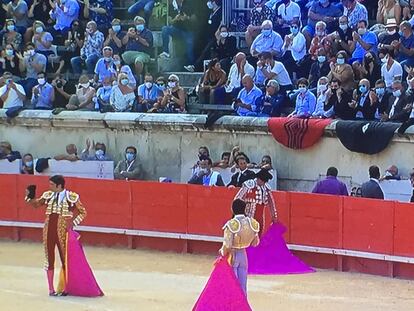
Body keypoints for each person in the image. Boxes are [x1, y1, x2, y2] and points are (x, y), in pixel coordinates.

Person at [24, 175, 103, 297]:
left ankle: (66, 288)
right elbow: (36, 204)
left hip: (63, 231)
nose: (49, 186)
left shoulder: (71, 197)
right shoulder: (48, 195)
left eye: (51, 184)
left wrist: (72, 224)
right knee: (49, 259)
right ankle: (51, 289)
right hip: (48, 229)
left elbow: (83, 212)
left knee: (65, 259)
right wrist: (30, 197)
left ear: (59, 185)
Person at [219, 199, 260, 295]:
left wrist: (222, 253)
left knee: (232, 286)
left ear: (233, 210)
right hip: (244, 256)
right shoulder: (252, 223)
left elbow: (227, 245)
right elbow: (255, 243)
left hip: (232, 256)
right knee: (243, 287)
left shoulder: (231, 225)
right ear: (244, 209)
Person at [234, 168, 277, 236]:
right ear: (258, 178)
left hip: (260, 218)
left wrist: (274, 217)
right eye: (263, 181)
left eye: (265, 182)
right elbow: (237, 199)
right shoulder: (249, 185)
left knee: (258, 237)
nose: (264, 183)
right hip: (248, 216)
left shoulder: (266, 188)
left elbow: (271, 203)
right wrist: (239, 215)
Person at [158, 0, 196, 66]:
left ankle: (191, 65)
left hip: (188, 30)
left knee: (190, 44)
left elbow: (195, 19)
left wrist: (187, 18)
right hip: (176, 30)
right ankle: (166, 52)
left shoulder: (189, 3)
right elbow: (170, 22)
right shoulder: (171, 5)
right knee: (165, 29)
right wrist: (175, 19)